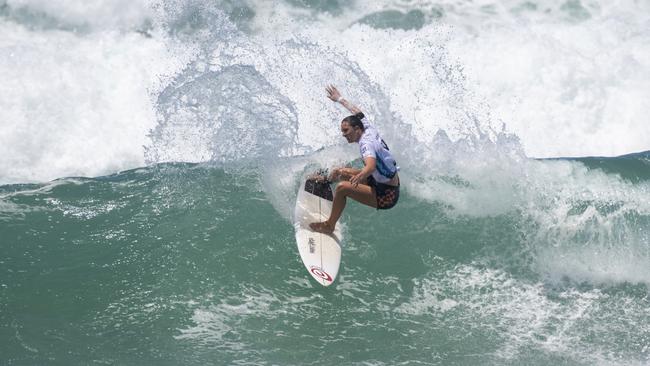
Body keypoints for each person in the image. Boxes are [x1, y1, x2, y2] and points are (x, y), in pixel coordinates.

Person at [310, 85, 400, 234]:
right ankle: (325, 182)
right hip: (379, 181)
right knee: (340, 171)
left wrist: (360, 176)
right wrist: (339, 98)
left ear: (357, 129)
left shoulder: (366, 144)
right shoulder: (367, 128)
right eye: (342, 131)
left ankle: (329, 226)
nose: (343, 134)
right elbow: (357, 112)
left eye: (346, 131)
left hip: (386, 195)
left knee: (342, 187)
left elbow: (370, 166)